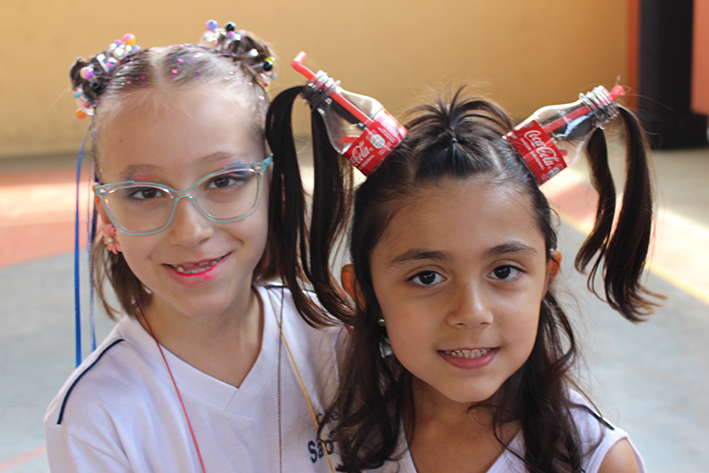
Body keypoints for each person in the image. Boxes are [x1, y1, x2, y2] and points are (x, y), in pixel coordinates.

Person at [266, 85, 660, 472]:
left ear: (545, 279)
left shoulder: (597, 462)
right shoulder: (332, 428)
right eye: (427, 277)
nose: (472, 312)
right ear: (364, 292)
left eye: (503, 271)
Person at [45, 21, 344, 473]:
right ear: (107, 216)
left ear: (274, 187)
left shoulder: (340, 340)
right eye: (145, 192)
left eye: (223, 181)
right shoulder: (95, 421)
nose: (190, 231)